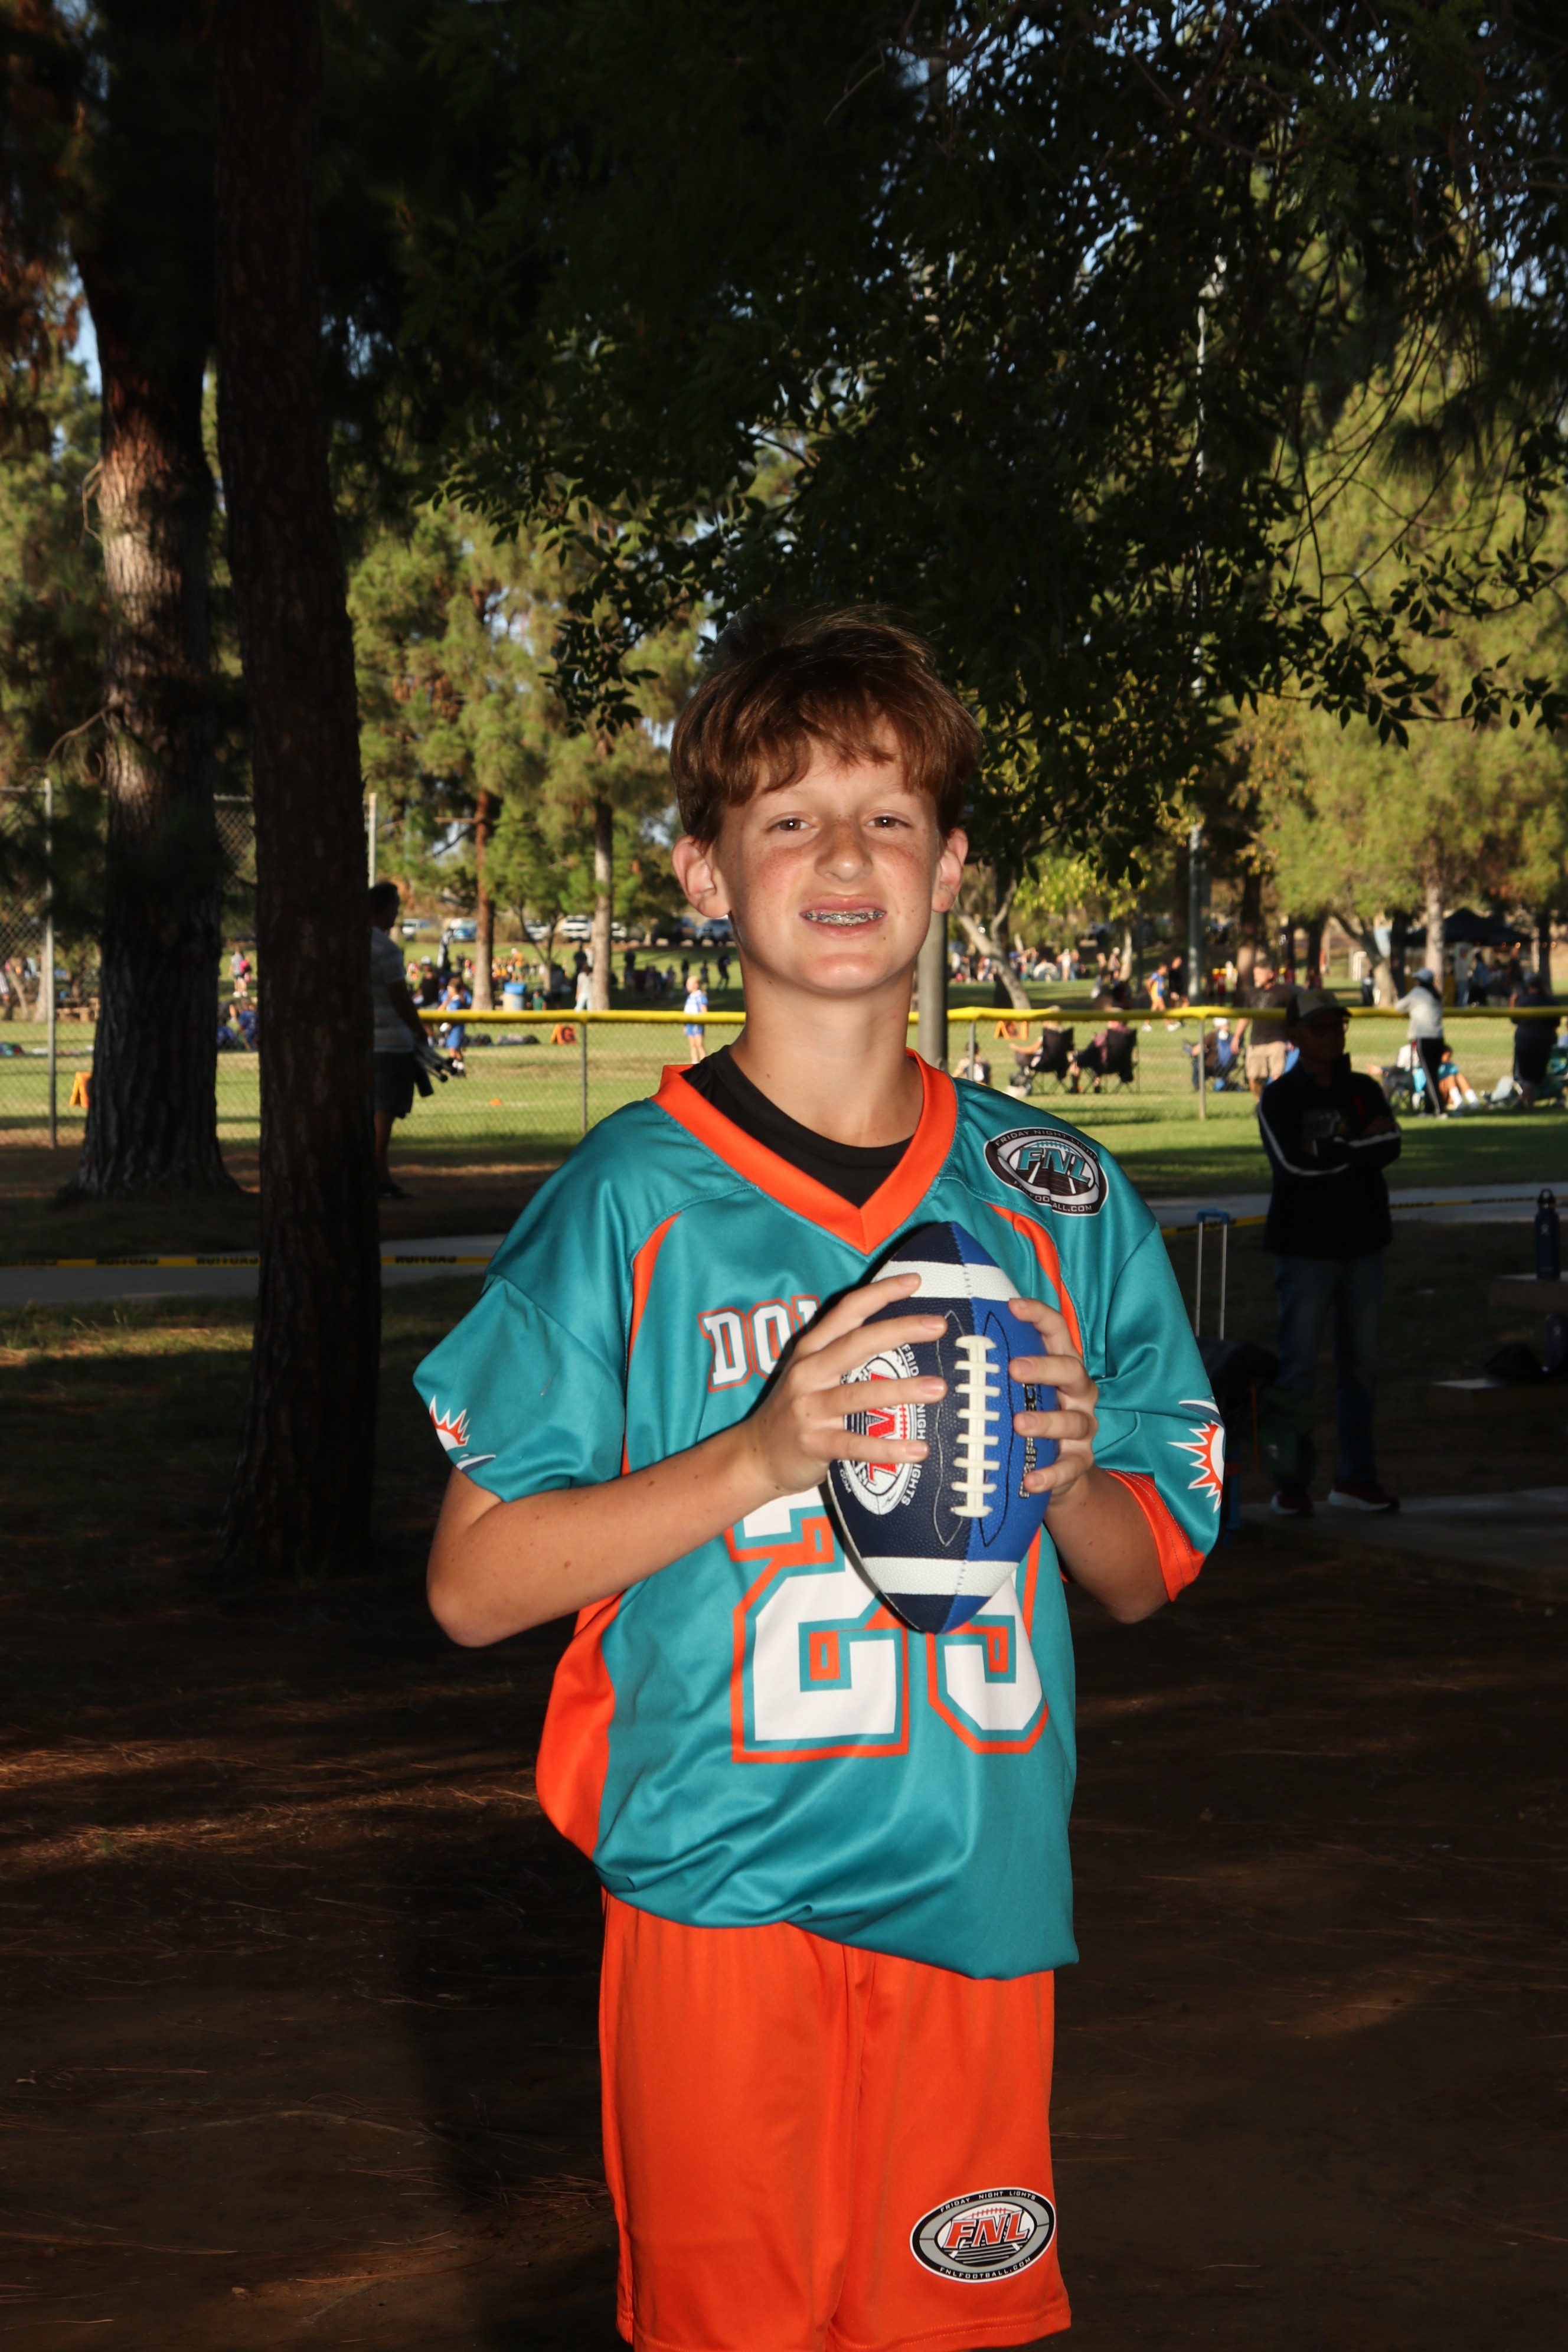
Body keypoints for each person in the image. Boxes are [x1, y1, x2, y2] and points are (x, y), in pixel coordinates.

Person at [413, 609, 1221, 2352]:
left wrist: (1072, 1476)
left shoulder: (1057, 1190)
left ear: (951, 866)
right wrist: (759, 1453)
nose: (844, 857)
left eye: (887, 816)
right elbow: (473, 1588)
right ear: (705, 869)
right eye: (789, 818)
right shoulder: (629, 1199)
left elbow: (1142, 1568)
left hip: (975, 1891)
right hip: (717, 1893)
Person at [1257, 988, 1403, 1515]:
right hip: (1305, 1252)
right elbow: (1292, 1168)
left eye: (1337, 1026)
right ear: (1294, 1036)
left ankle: (1356, 1479)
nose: (1331, 1036)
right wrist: (1357, 1150)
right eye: (1318, 1028)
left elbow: (1391, 1145)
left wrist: (1328, 1151)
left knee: (1361, 1368)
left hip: (1364, 1246)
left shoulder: (1364, 1089)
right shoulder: (1279, 1098)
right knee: (1297, 1368)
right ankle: (1291, 1485)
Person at [369, 880, 427, 1200]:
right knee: (384, 1111)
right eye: (395, 907)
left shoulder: (347, 945)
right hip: (390, 1043)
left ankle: (379, 1173)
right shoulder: (386, 950)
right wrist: (419, 1030)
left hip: (363, 1044)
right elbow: (400, 998)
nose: (396, 914)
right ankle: (379, 1175)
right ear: (386, 908)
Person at [1237, 957, 1295, 1097]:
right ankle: (1261, 1103)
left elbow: (1294, 1017)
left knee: (1277, 1077)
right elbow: (1245, 1018)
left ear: (1270, 974)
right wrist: (1236, 1037)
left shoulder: (1285, 993)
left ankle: (1277, 1103)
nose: (1256, 977)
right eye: (1255, 974)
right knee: (1254, 1079)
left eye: (1259, 974)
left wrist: (1294, 1037)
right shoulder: (1252, 993)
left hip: (1277, 1041)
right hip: (1256, 1042)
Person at [1396, 966, 1445, 1114]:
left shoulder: (1417, 993)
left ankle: (1440, 1110)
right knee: (1433, 1074)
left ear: (1420, 982)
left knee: (1429, 1076)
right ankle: (1428, 1110)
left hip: (1425, 1039)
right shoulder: (1436, 995)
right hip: (1438, 1039)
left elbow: (1399, 1007)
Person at [1509, 965, 1553, 1106]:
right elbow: (1556, 1022)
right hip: (1545, 1043)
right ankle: (1528, 1100)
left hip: (1525, 1043)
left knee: (1526, 1077)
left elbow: (1514, 1019)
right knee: (1538, 1075)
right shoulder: (1549, 1001)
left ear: (1529, 987)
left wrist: (1513, 1003)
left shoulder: (1524, 1001)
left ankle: (1529, 1106)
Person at [682, 969, 708, 1062]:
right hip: (689, 1024)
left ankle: (704, 1063)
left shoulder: (700, 996)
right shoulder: (690, 997)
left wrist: (700, 1022)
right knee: (692, 1045)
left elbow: (704, 1010)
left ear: (696, 985)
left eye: (690, 984)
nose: (687, 986)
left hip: (697, 1024)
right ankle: (694, 1063)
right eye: (687, 984)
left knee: (699, 1044)